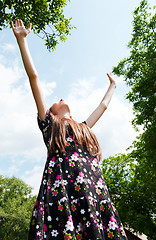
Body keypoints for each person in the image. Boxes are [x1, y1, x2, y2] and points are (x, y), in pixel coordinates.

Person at [11, 19, 127, 240]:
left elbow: (102, 106)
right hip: (63, 190)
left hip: (92, 189)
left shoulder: (82, 128)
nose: (61, 98)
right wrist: (22, 41)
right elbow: (33, 77)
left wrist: (112, 86)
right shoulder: (50, 125)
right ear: (51, 112)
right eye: (57, 100)